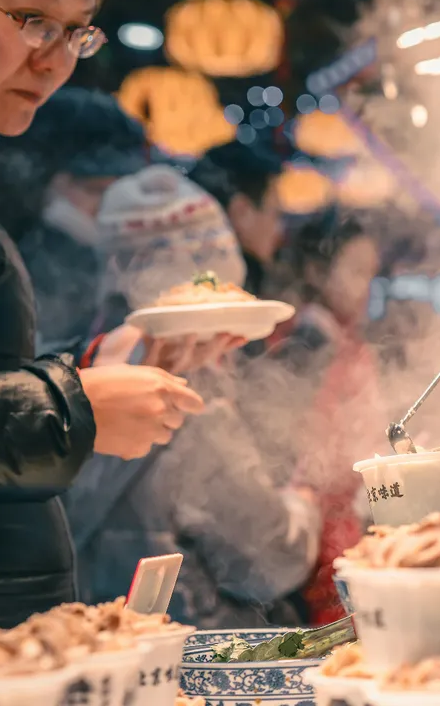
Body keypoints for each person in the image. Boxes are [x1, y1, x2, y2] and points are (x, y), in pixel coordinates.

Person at [0, 0, 205, 627]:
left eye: (76, 32)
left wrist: (99, 365)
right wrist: (73, 406)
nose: (54, 59)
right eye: (33, 19)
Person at [63, 165, 320, 628]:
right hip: (202, 657)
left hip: (105, 638)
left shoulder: (79, 372)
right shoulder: (188, 394)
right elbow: (269, 565)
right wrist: (304, 503)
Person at [263, 210, 384, 626]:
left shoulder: (344, 338)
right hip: (314, 537)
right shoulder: (305, 344)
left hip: (342, 526)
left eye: (371, 273)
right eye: (355, 271)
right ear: (315, 271)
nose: (366, 288)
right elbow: (294, 452)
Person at [0, 86, 149, 352]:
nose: (106, 207)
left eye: (118, 191)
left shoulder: (113, 256)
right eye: (94, 190)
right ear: (37, 183)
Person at [186, 141, 285, 298]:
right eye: (275, 214)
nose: (280, 229)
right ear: (242, 211)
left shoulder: (187, 276)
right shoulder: (222, 290)